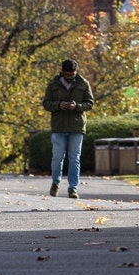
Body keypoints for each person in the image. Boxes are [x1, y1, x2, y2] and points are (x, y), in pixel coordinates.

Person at [41, 58, 94, 198]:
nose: (70, 77)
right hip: (59, 126)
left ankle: (73, 188)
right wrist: (59, 105)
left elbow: (90, 103)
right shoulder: (53, 84)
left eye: (73, 74)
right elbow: (46, 103)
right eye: (68, 75)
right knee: (57, 157)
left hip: (76, 127)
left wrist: (77, 106)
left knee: (74, 158)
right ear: (62, 72)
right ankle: (55, 182)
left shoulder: (83, 84)